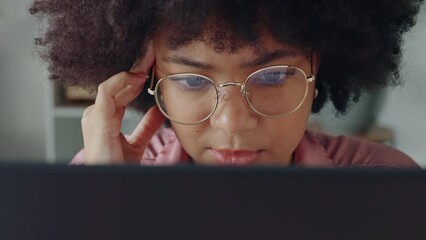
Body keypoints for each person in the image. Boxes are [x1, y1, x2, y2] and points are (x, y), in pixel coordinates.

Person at [30, 0, 423, 167]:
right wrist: (107, 203)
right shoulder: (100, 175)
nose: (233, 123)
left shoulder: (384, 182)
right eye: (189, 79)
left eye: (272, 75)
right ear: (152, 81)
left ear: (317, 68)